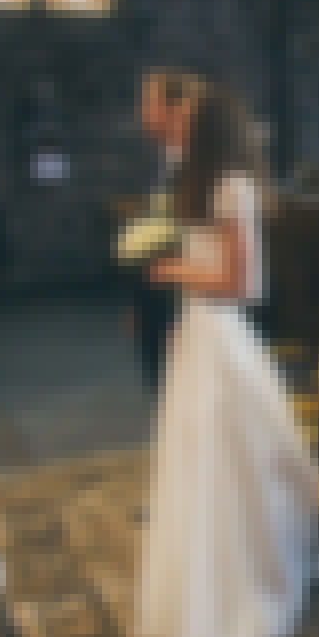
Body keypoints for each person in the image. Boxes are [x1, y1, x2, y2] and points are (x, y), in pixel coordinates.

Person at [134, 82, 319, 637]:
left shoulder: (233, 186)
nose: (175, 125)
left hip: (222, 334)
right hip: (197, 334)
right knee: (195, 469)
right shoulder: (202, 183)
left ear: (208, 124)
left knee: (224, 470)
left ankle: (234, 599)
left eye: (184, 116)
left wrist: (174, 268)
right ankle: (194, 597)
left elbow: (245, 284)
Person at [130, 69, 198, 396]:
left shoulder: (195, 165)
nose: (141, 112)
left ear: (173, 109)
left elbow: (190, 241)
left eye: (148, 103)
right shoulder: (167, 160)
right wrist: (139, 304)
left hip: (183, 300)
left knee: (180, 391)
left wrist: (177, 316)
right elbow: (154, 238)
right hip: (158, 298)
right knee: (162, 391)